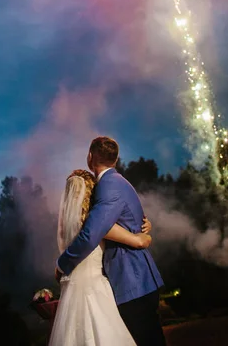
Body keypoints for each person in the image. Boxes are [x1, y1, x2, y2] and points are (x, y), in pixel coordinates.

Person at [56, 136, 166, 346]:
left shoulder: (108, 186)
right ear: (115, 159)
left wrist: (62, 264)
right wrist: (141, 235)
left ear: (90, 156)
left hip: (132, 280)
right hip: (137, 279)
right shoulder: (119, 182)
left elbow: (92, 232)